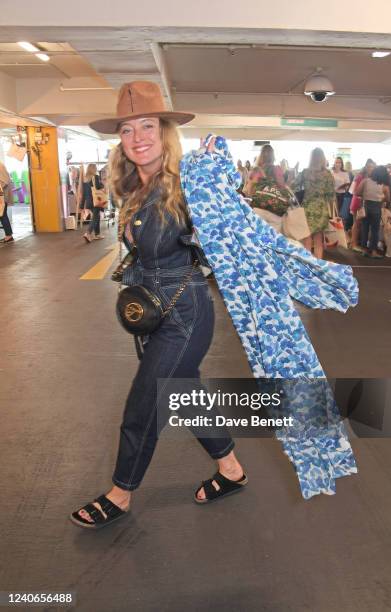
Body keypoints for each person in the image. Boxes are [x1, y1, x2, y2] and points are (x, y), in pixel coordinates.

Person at [70, 81, 246, 529]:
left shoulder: (189, 182)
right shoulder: (131, 185)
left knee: (144, 404)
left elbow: (228, 220)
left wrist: (220, 180)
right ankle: (231, 469)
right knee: (185, 396)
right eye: (127, 130)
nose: (138, 138)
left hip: (184, 313)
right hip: (152, 308)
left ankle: (121, 493)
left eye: (147, 125)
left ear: (165, 131)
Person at [294, 148, 335, 260]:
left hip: (307, 208)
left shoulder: (305, 172)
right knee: (318, 241)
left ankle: (307, 266)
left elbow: (294, 186)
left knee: (307, 239)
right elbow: (331, 196)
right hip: (321, 209)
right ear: (323, 158)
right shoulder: (328, 175)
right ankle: (318, 267)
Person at [356, 165, 390, 258]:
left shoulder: (365, 181)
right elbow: (388, 198)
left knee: (365, 228)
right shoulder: (384, 186)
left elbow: (357, 192)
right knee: (375, 231)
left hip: (366, 206)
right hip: (376, 208)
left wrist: (365, 195)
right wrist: (380, 199)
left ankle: (364, 250)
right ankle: (373, 251)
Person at [349, 159, 376, 253]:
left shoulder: (370, 177)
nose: (371, 169)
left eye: (373, 167)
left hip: (364, 203)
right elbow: (352, 190)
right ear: (366, 167)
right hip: (358, 202)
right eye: (369, 167)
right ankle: (354, 244)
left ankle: (354, 242)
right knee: (356, 223)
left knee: (359, 224)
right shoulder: (360, 176)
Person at [82, 163, 106, 242]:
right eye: (95, 168)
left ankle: (97, 234)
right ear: (93, 169)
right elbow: (99, 187)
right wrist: (103, 185)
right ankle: (88, 233)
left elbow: (84, 193)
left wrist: (82, 205)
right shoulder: (95, 177)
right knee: (95, 217)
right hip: (96, 201)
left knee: (97, 216)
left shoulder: (85, 179)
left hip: (89, 202)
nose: (96, 169)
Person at [0, 161, 14, 244]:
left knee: (2, 215)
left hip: (2, 196)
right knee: (2, 215)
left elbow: (4, 181)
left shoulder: (0, 166)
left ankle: (9, 235)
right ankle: (9, 235)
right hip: (2, 196)